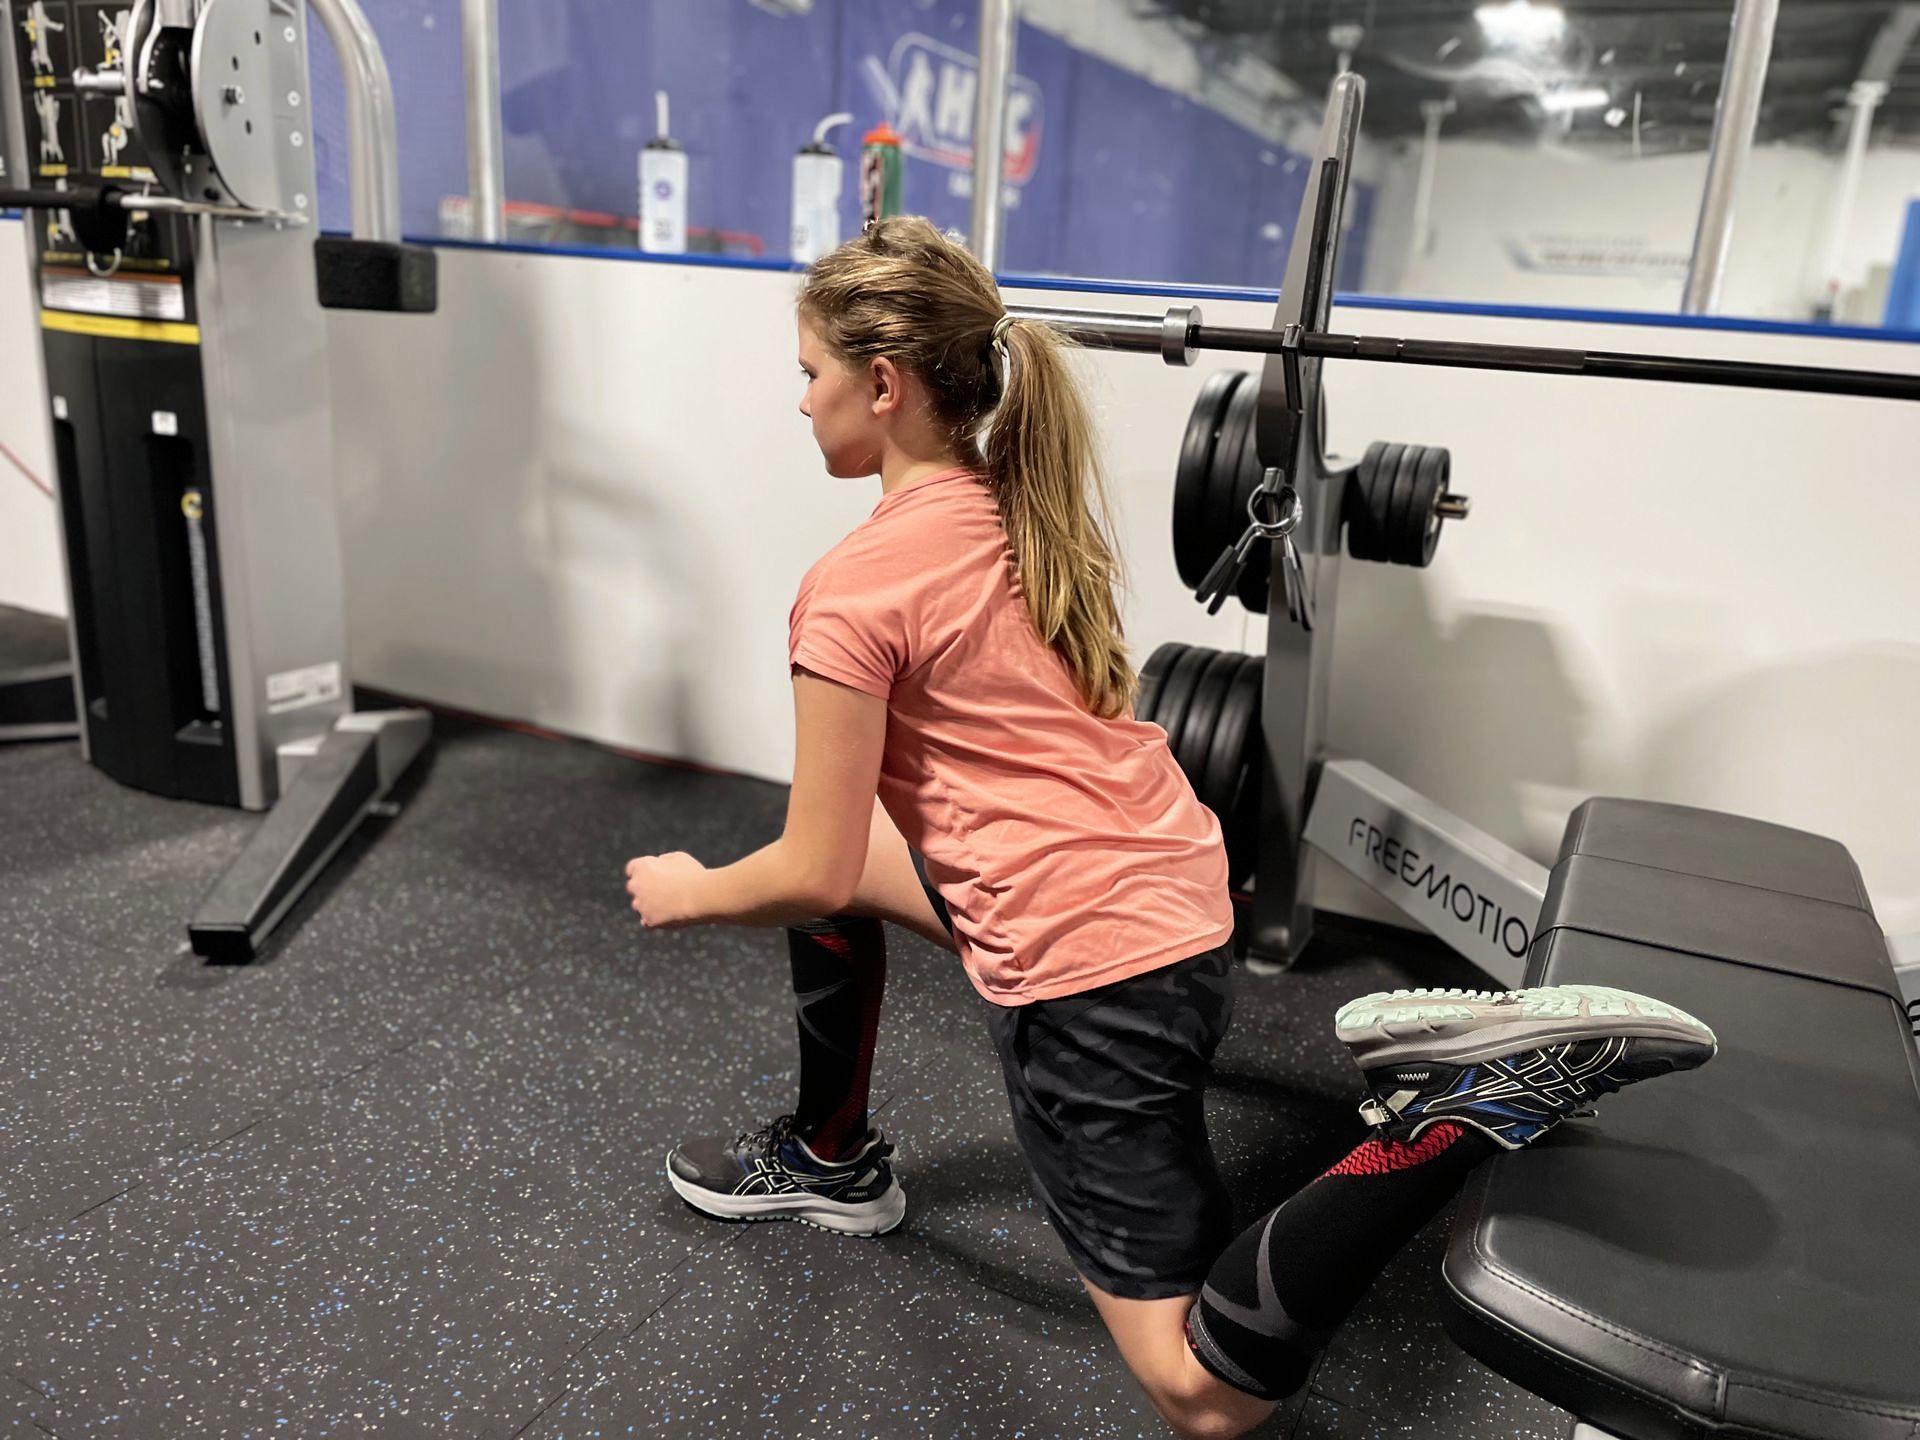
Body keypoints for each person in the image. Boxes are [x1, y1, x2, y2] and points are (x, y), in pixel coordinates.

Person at [622, 217, 1716, 1440]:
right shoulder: (1017, 505)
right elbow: (849, 864)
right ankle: (830, 1157)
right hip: (1181, 896)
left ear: (883, 387)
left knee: (1200, 1395)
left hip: (1095, 983)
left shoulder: (852, 590)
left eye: (810, 375)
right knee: (855, 881)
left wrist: (689, 888)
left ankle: (1450, 1119)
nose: (803, 402)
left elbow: (802, 858)